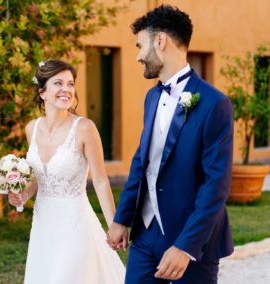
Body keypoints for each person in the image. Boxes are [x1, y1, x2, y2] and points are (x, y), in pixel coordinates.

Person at [107, 5, 234, 284]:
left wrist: (186, 246)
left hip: (191, 241)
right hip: (145, 235)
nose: (139, 56)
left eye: (141, 45)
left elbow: (216, 185)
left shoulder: (215, 104)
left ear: (161, 41)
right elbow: (142, 161)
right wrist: (121, 219)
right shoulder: (151, 98)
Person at [8, 59, 125, 284]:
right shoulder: (32, 128)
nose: (66, 90)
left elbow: (100, 182)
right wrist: (21, 196)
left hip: (75, 225)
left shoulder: (84, 128)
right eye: (58, 83)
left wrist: (114, 225)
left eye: (70, 84)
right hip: (43, 225)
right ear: (42, 92)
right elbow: (39, 178)